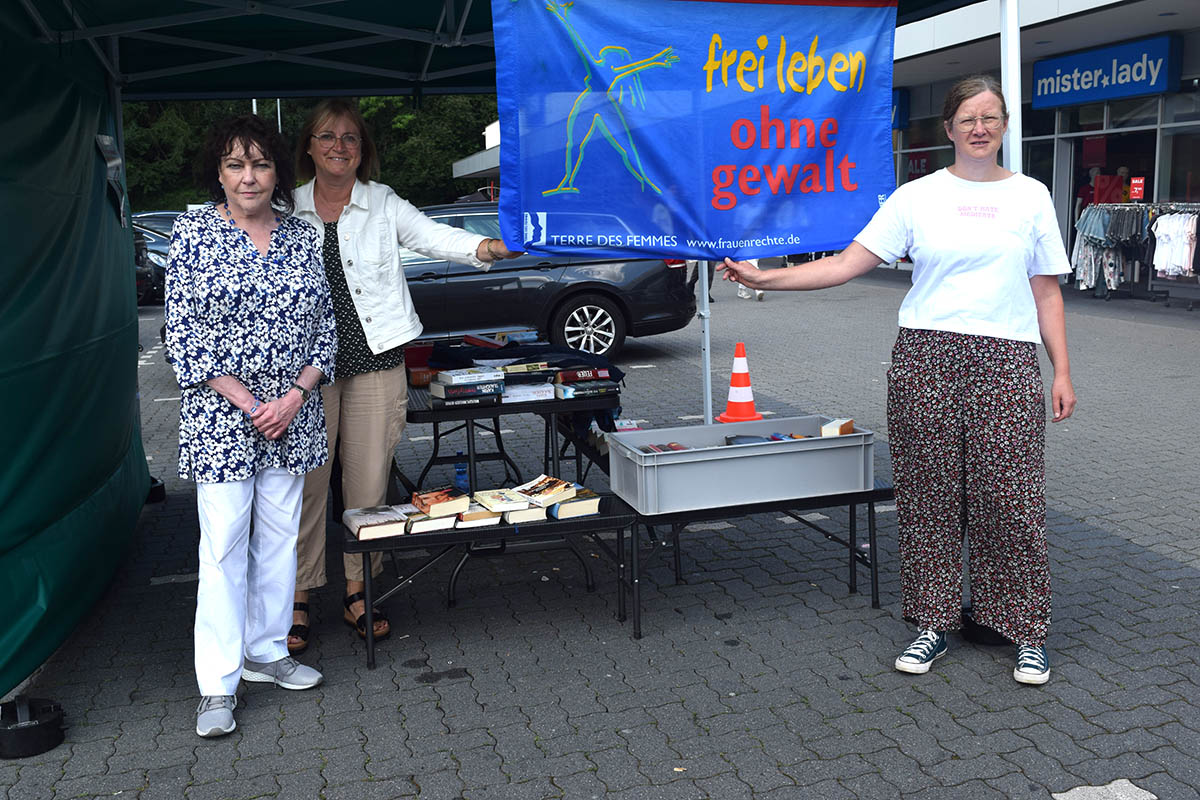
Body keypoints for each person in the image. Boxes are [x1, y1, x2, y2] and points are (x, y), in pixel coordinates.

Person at [721, 74, 1075, 686]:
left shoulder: (1032, 196)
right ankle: (934, 621)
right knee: (928, 495)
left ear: (1004, 125)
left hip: (1008, 362)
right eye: (968, 118)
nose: (980, 128)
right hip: (926, 357)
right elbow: (848, 263)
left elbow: (1046, 291)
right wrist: (765, 280)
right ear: (948, 128)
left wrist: (1062, 370)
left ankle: (1021, 628)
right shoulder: (917, 196)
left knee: (1011, 499)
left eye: (990, 117)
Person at [290, 99, 521, 652]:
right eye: (328, 136)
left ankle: (358, 587)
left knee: (368, 483)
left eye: (350, 137)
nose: (340, 146)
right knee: (306, 486)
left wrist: (489, 247)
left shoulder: (381, 201)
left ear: (362, 148)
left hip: (374, 360)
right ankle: (296, 595)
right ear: (309, 146)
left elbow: (436, 237)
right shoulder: (285, 206)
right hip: (303, 371)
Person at [165, 115, 337, 738]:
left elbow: (327, 331)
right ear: (219, 171)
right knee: (222, 549)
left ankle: (268, 652)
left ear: (277, 172)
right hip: (221, 420)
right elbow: (183, 335)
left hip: (292, 417)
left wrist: (293, 396)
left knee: (278, 539)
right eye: (236, 165)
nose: (249, 177)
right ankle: (217, 683)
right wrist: (248, 402)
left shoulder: (301, 237)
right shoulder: (192, 234)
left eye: (260, 164)